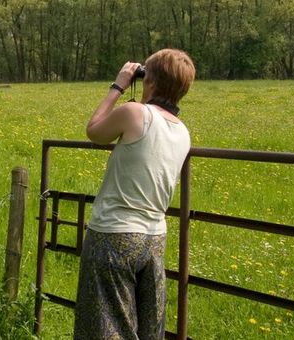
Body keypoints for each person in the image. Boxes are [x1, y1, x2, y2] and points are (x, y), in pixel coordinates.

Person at [73, 49, 195, 340]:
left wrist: (118, 87)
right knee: (148, 328)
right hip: (154, 238)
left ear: (150, 81)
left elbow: (94, 131)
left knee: (105, 327)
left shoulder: (135, 113)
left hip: (113, 235)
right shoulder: (183, 132)